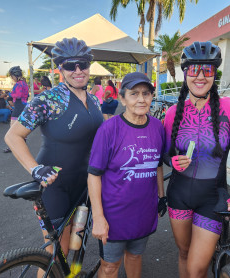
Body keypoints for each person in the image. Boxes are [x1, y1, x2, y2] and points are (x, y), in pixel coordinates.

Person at [4, 38, 104, 265]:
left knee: (73, 249)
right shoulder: (48, 99)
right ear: (60, 69)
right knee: (56, 254)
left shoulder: (94, 100)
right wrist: (35, 168)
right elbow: (12, 136)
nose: (78, 70)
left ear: (89, 65)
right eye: (70, 65)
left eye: (83, 64)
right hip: (54, 185)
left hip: (84, 184)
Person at [163, 41, 230, 277]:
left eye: (208, 70)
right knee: (183, 254)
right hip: (179, 196)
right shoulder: (173, 113)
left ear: (215, 73)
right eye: (194, 70)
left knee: (196, 269)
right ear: (185, 73)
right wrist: (172, 160)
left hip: (212, 199)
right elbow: (165, 153)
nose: (201, 76)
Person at [88, 72, 166, 278]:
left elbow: (157, 164)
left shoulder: (158, 127)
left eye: (146, 93)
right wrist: (97, 217)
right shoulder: (109, 129)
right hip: (113, 215)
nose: (141, 99)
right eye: (134, 94)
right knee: (110, 267)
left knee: (134, 257)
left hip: (143, 212)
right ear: (122, 98)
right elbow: (94, 174)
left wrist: (161, 197)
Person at [3, 66, 29, 153]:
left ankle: (13, 147)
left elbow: (17, 95)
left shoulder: (19, 84)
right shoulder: (24, 83)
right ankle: (22, 146)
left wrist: (9, 93)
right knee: (21, 127)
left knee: (13, 128)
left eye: (11, 76)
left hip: (18, 107)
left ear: (15, 75)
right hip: (23, 106)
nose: (11, 78)